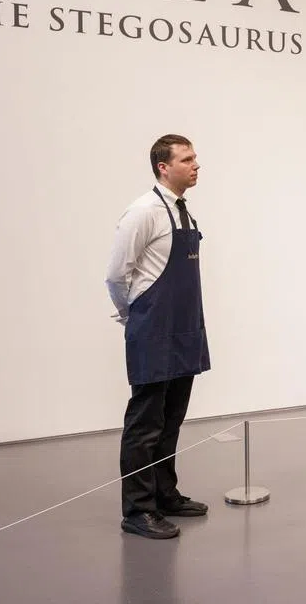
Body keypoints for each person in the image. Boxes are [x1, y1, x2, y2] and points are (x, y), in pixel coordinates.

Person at [105, 134, 211, 539]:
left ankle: (166, 494)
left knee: (171, 418)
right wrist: (136, 315)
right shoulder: (143, 212)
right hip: (153, 328)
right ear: (163, 167)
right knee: (145, 422)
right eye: (187, 159)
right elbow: (117, 275)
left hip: (183, 326)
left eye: (195, 157)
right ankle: (137, 509)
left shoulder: (184, 212)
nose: (196, 164)